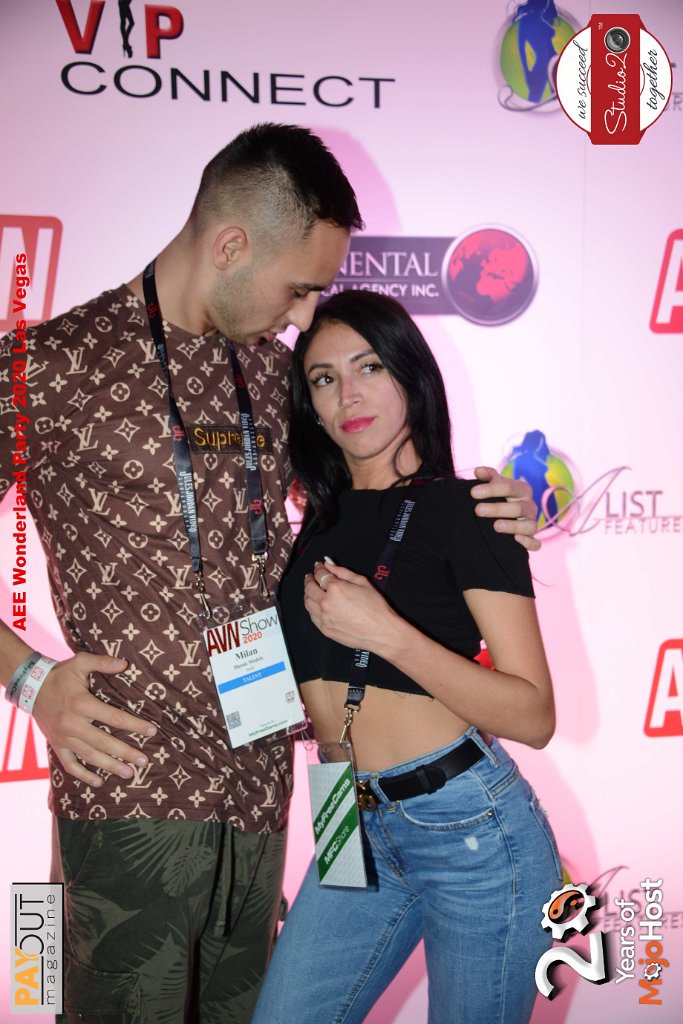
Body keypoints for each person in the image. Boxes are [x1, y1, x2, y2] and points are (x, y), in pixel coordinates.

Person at [0, 123, 539, 1022]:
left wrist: (500, 509)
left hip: (268, 797)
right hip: (131, 789)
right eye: (298, 288)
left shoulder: (280, 374)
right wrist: (28, 678)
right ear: (230, 246)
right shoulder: (48, 367)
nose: (303, 314)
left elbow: (377, 493)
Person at [252, 291, 562, 1024]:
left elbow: (535, 716)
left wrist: (386, 633)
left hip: (469, 828)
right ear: (309, 405)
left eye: (369, 367)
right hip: (345, 815)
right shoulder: (314, 525)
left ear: (410, 376)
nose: (348, 394)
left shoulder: (468, 509)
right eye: (324, 378)